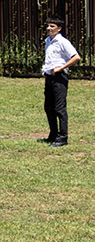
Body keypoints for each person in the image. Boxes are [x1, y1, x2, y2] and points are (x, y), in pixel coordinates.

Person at [43, 17, 82, 147]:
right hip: (49, 76)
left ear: (59, 28)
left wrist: (61, 67)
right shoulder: (48, 41)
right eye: (48, 26)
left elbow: (76, 57)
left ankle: (63, 137)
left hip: (60, 77)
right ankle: (53, 134)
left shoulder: (62, 42)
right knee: (48, 107)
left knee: (60, 108)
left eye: (52, 26)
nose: (49, 28)